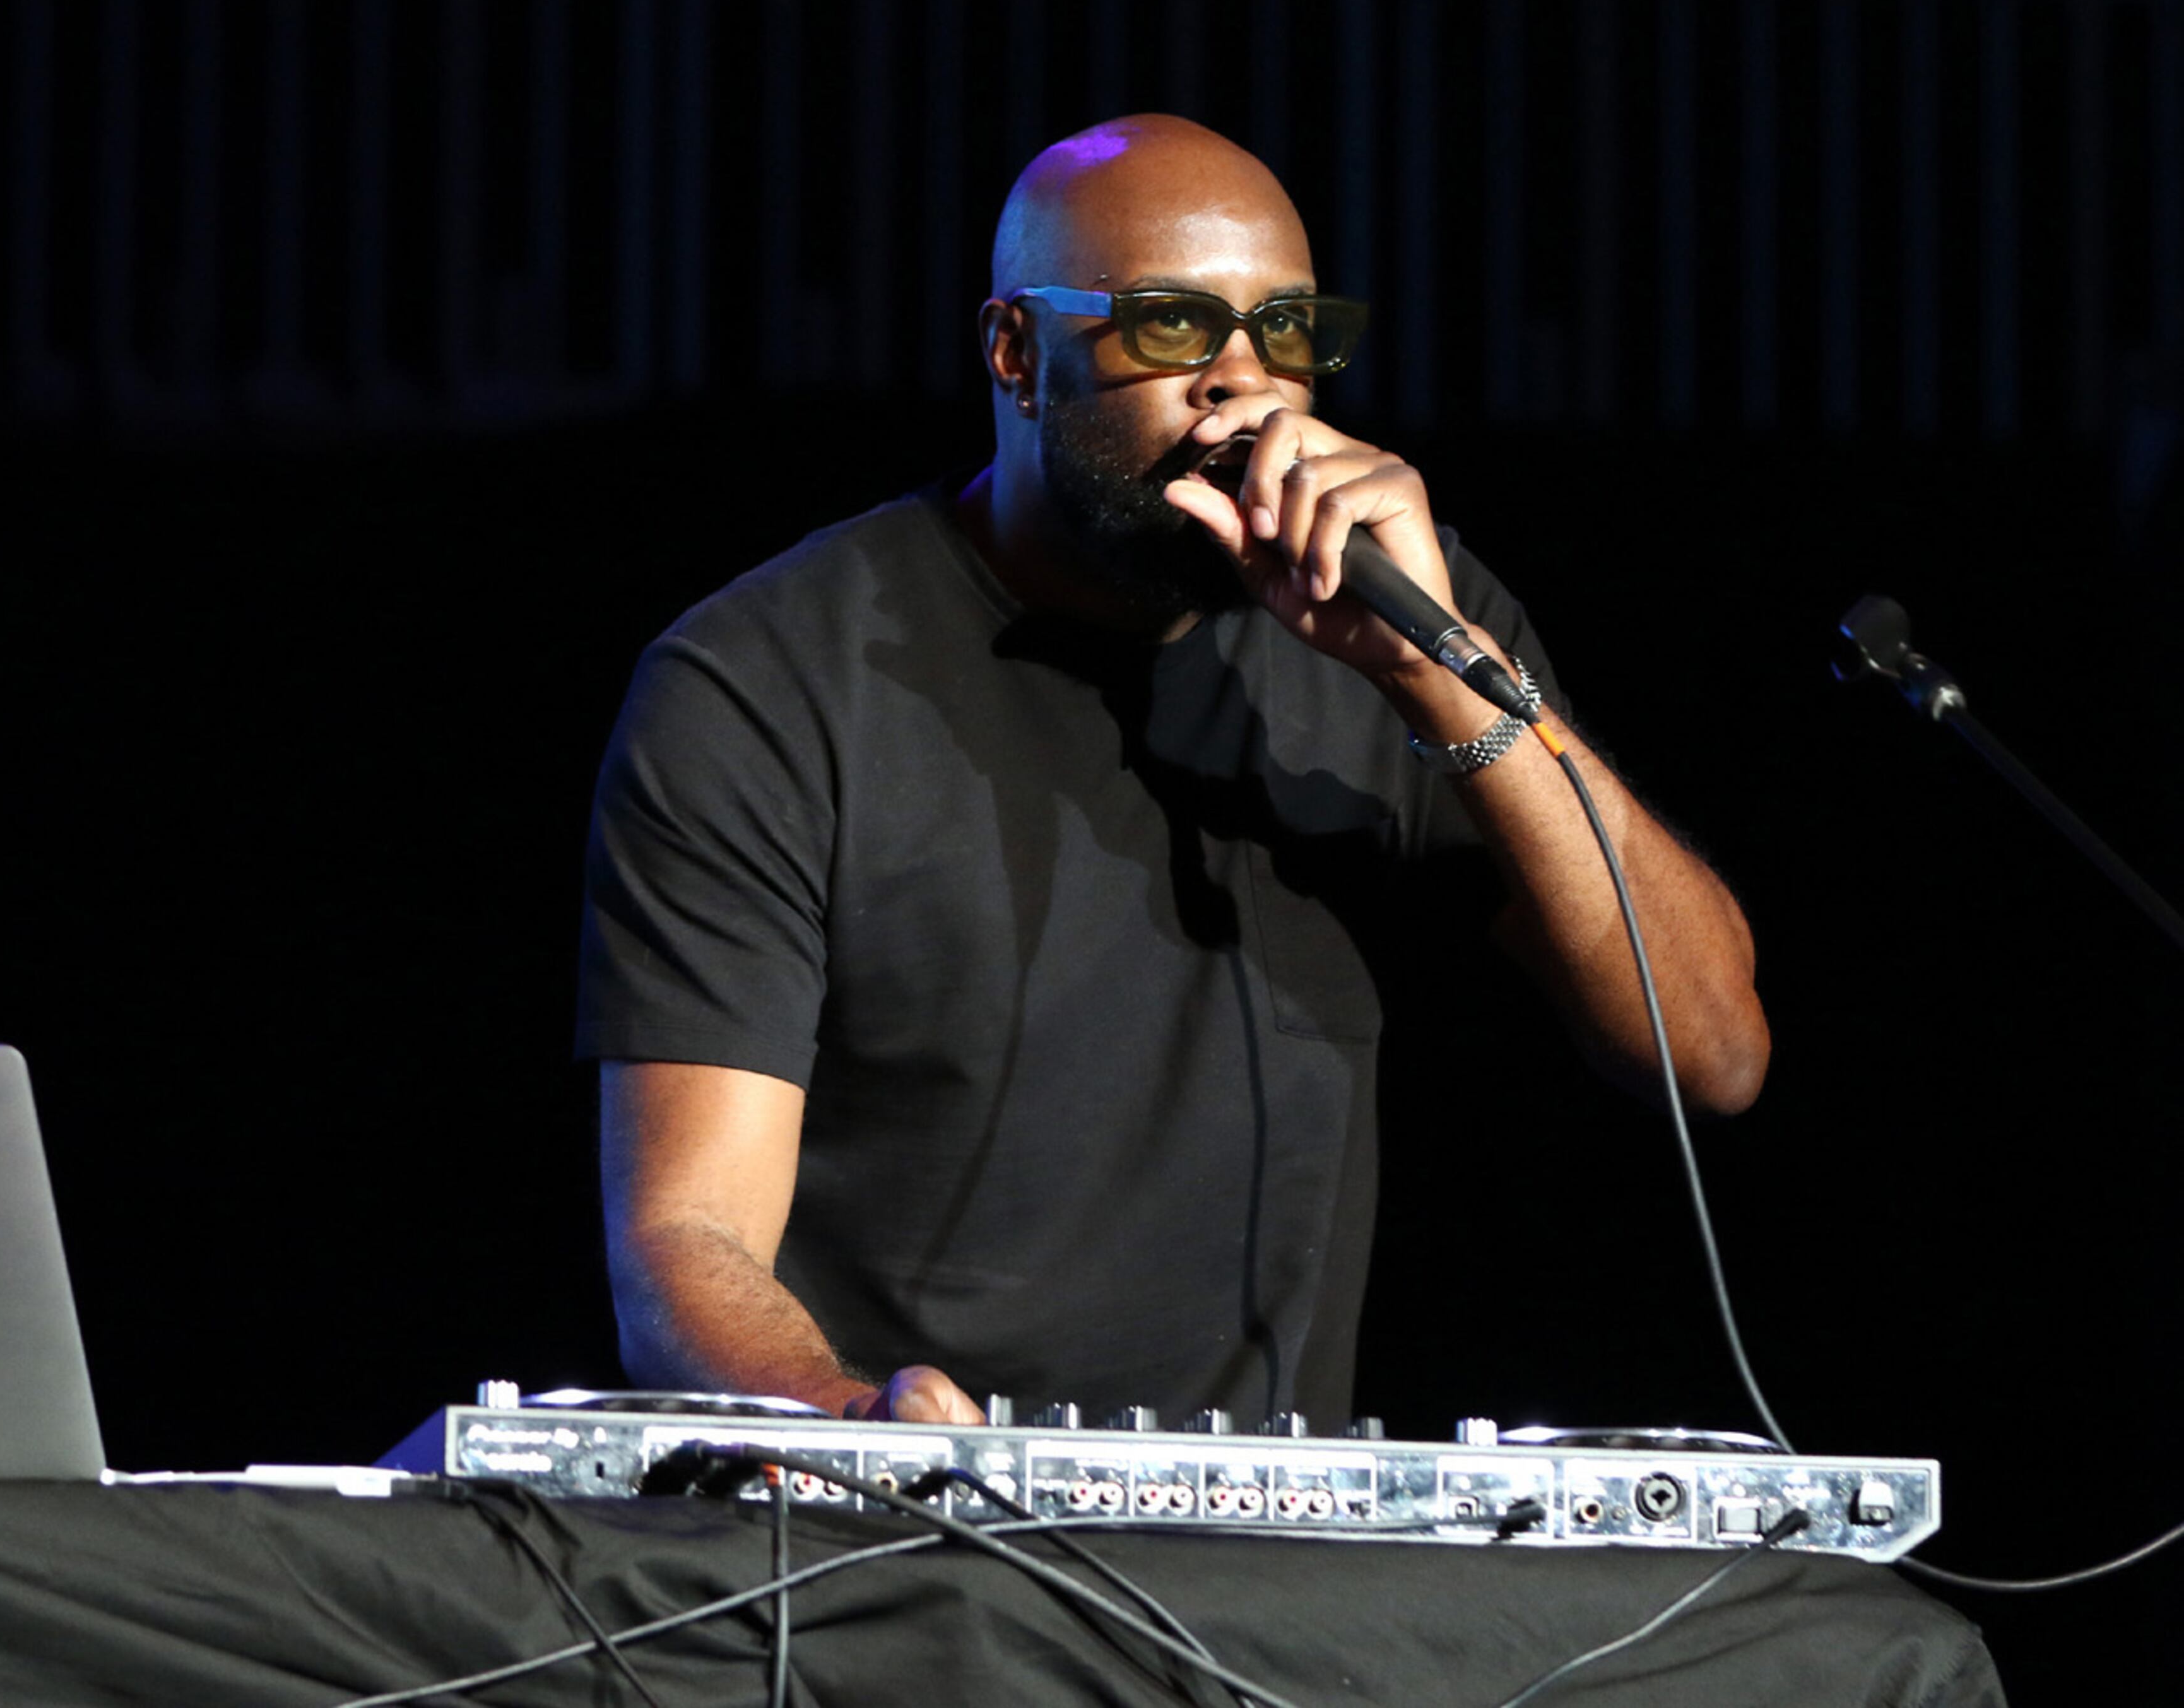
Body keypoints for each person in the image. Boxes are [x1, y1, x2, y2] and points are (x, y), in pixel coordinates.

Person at [577, 115, 1768, 1434]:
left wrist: (1442, 679)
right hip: (902, 1529)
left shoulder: (1408, 620)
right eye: (1170, 327)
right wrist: (855, 1424)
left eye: (1290, 334)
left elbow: (1709, 1052)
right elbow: (688, 1239)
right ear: (1015, 354)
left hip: (1264, 1558)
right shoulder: (769, 678)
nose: (1243, 385)